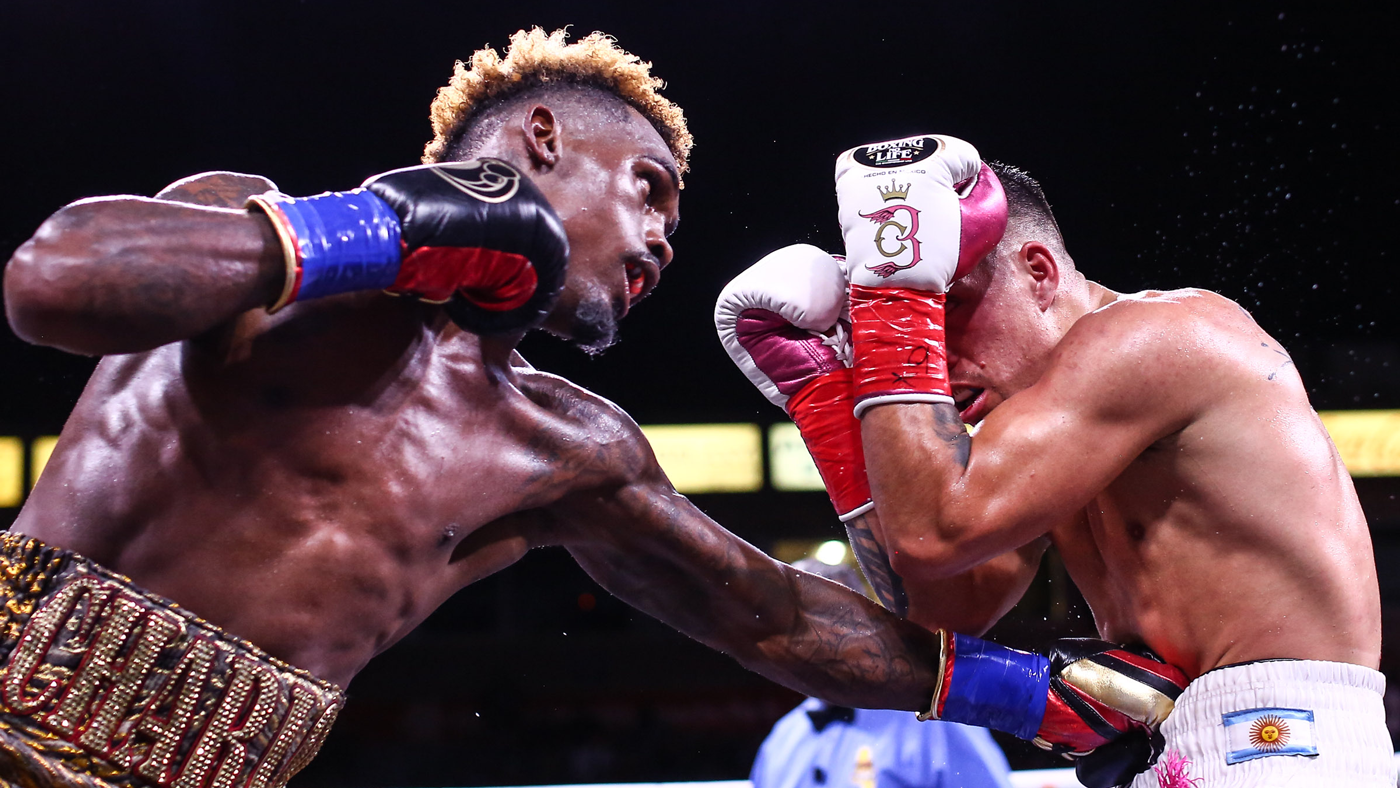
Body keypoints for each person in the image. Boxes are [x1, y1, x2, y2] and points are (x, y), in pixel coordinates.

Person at [0, 30, 1160, 788]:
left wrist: (1034, 696)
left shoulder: (562, 447)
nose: (662, 239)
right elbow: (50, 281)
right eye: (648, 190)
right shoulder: (247, 238)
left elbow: (766, 614)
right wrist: (383, 228)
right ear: (541, 141)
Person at [717, 133, 1390, 787]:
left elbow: (931, 534)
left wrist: (893, 307)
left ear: (1038, 272)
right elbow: (940, 611)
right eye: (919, 323)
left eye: (944, 309)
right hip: (1179, 742)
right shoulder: (1035, 428)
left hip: (1282, 744)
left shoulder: (1153, 337)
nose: (936, 362)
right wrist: (826, 399)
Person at [750, 559, 1012, 788]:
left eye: (828, 627)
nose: (815, 645)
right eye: (798, 632)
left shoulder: (933, 724)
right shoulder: (782, 739)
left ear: (865, 629)